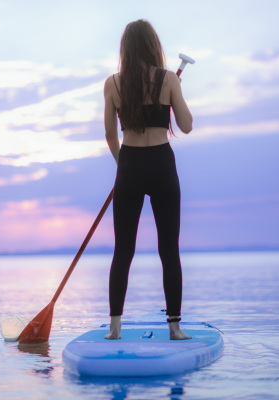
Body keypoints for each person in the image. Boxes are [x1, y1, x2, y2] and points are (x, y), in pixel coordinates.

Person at [103, 19, 193, 340]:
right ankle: (174, 327)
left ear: (125, 49)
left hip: (129, 165)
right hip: (161, 166)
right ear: (154, 46)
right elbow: (186, 126)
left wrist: (124, 168)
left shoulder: (112, 84)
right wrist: (175, 92)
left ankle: (114, 328)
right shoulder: (169, 78)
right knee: (169, 249)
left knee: (122, 250)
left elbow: (110, 137)